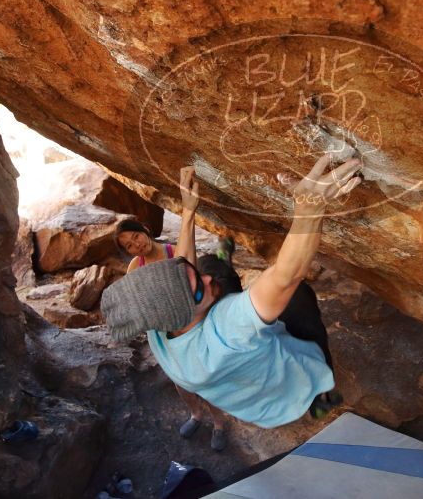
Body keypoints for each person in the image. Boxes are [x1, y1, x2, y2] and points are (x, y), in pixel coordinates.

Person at [103, 153, 362, 428]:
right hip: (289, 381)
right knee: (298, 297)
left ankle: (222, 265)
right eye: (198, 290)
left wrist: (188, 209)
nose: (204, 280)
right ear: (184, 314)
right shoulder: (229, 330)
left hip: (252, 399)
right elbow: (286, 275)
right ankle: (320, 390)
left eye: (192, 277)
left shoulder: (158, 324)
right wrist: (309, 209)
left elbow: (184, 273)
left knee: (211, 268)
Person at [113, 175, 241, 450]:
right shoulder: (135, 268)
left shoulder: (175, 251)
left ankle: (218, 423)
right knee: (180, 381)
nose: (137, 245)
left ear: (145, 229)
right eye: (130, 246)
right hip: (163, 334)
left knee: (203, 379)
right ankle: (195, 414)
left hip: (192, 327)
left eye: (136, 236)